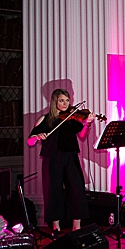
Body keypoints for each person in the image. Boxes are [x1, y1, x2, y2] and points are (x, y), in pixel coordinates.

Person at [27, 89, 95, 236]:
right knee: (53, 192)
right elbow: (30, 141)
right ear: (54, 102)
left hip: (70, 157)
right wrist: (38, 136)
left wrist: (88, 123)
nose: (65, 104)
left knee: (77, 190)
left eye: (67, 100)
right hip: (52, 158)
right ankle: (55, 228)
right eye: (61, 101)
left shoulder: (72, 119)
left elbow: (82, 136)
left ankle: (76, 227)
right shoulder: (45, 119)